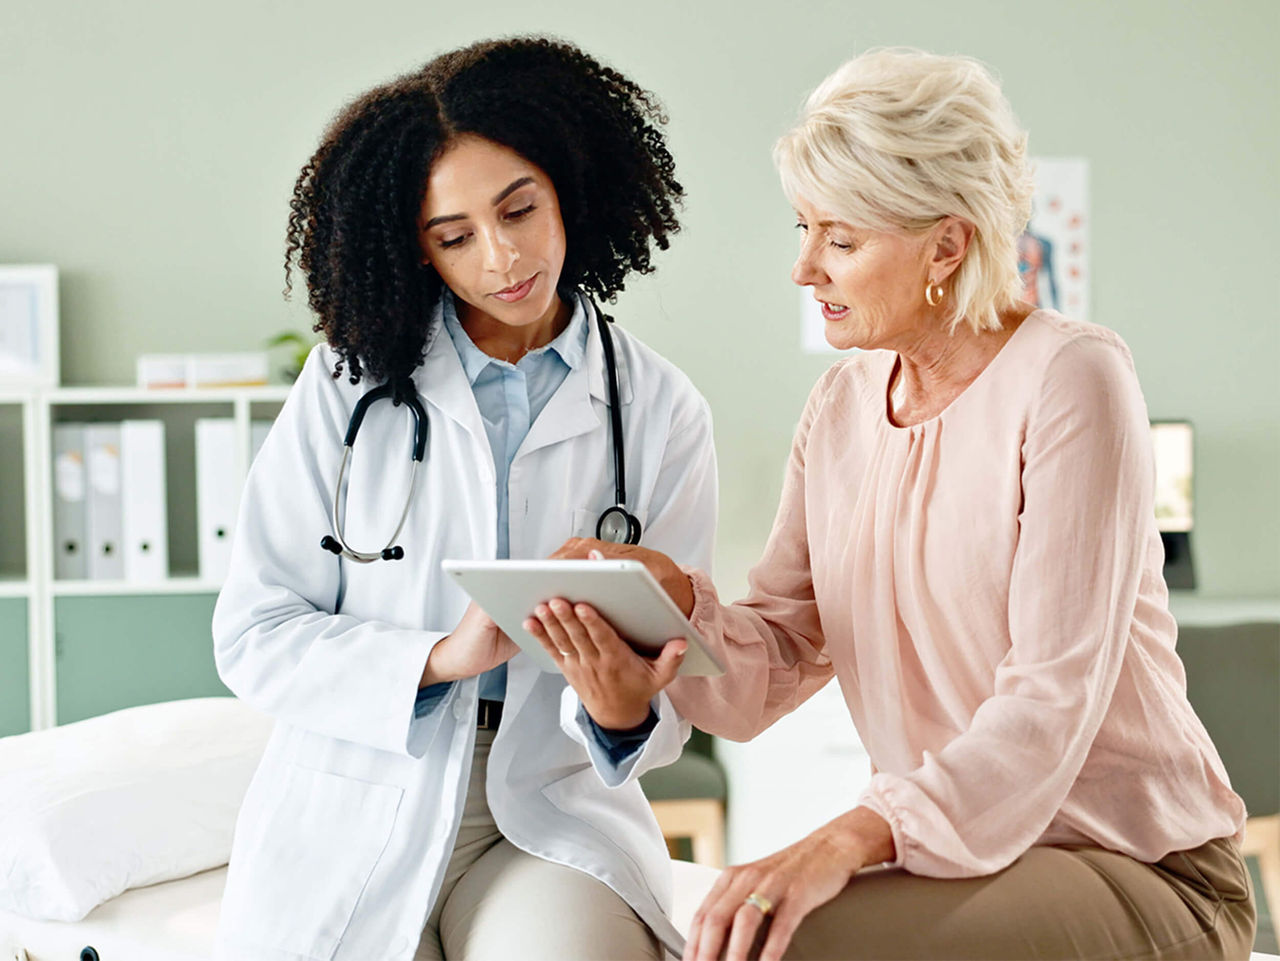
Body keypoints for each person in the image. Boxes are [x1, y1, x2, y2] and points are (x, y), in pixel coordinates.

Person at [531, 48, 1255, 961]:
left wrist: (844, 837)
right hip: (970, 863)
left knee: (785, 942)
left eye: (840, 239)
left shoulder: (1071, 375)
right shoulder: (840, 408)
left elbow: (1048, 701)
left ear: (947, 245)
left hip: (1137, 863)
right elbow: (780, 656)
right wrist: (672, 607)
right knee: (732, 932)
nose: (804, 269)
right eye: (802, 228)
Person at [211, 37, 717, 961]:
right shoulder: (345, 388)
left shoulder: (660, 409)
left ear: (568, 187)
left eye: (520, 208)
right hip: (364, 791)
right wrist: (441, 656)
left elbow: (680, 663)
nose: (504, 256)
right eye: (455, 236)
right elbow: (254, 634)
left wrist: (620, 711)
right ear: (416, 249)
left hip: (550, 802)